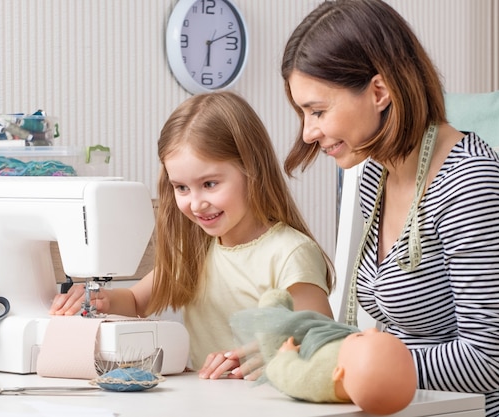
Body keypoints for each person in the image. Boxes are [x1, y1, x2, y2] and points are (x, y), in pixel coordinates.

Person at [280, 1, 499, 416]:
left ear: (379, 91)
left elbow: (486, 362)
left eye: (317, 111)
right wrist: (286, 350)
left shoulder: (473, 187)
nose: (309, 132)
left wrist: (349, 361)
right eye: (303, 113)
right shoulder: (378, 175)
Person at [49, 91, 334, 379]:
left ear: (252, 169)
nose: (195, 203)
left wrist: (270, 356)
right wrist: (102, 299)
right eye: (182, 188)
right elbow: (137, 303)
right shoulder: (196, 248)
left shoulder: (289, 254)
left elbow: (323, 345)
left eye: (209, 184)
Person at [230, 289, 417, 415]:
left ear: (338, 372)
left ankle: (271, 306)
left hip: (288, 354)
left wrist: (286, 355)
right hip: (322, 340)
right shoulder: (358, 376)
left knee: (273, 334)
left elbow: (289, 374)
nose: (371, 330)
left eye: (362, 337)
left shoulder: (316, 380)